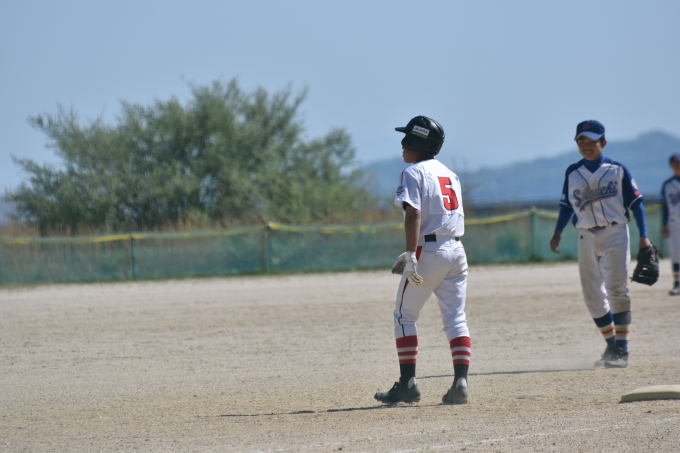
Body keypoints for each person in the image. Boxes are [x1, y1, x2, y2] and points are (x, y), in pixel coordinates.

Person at [374, 116, 471, 405]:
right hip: (457, 250)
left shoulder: (412, 172)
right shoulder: (451, 175)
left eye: (407, 139)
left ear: (416, 141)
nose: (402, 144)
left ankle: (408, 384)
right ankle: (461, 383)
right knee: (456, 318)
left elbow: (414, 214)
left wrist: (410, 254)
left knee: (404, 316)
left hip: (428, 251)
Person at [550, 120, 651, 369]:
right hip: (585, 235)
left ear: (603, 142)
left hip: (615, 233)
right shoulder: (573, 172)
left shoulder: (617, 170)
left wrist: (644, 236)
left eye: (592, 141)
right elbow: (566, 206)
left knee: (617, 291)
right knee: (592, 296)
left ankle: (622, 351)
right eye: (581, 141)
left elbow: (636, 203)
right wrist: (557, 232)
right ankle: (612, 345)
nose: (586, 146)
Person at [661, 153, 680, 295]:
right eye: (674, 163)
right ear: (670, 166)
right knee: (675, 254)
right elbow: (664, 207)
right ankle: (677, 283)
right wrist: (664, 225)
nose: (677, 165)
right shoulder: (667, 185)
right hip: (673, 222)